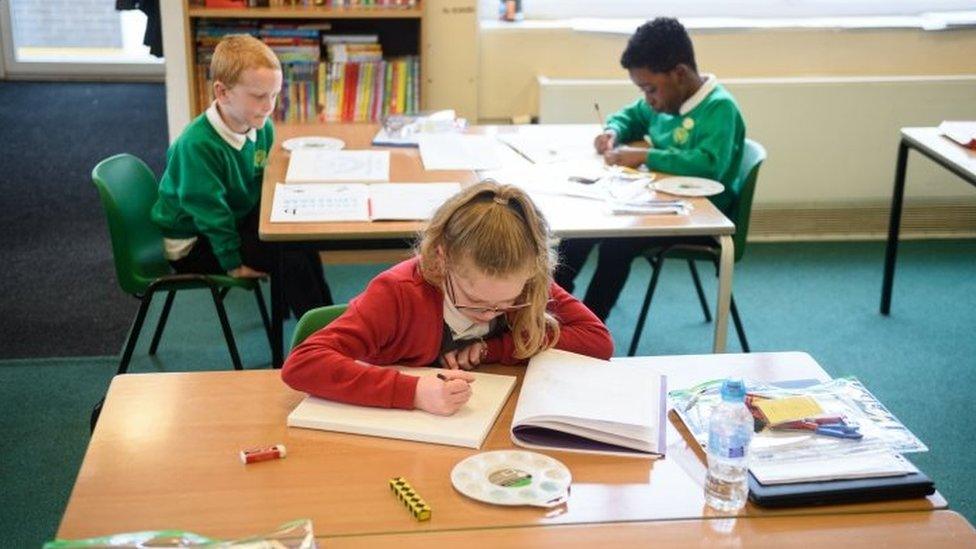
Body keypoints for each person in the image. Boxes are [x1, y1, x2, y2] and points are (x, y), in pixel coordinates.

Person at [282, 181, 614, 416]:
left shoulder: (525, 281)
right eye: (475, 300)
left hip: (478, 423)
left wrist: (494, 348)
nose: (488, 315)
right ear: (442, 259)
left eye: (505, 304)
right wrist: (413, 392)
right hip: (399, 431)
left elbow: (598, 340)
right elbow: (303, 363)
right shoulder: (398, 293)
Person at [554, 17, 746, 321]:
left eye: (650, 89)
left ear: (679, 74)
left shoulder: (719, 109)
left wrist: (645, 156)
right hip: (659, 202)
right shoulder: (664, 103)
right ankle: (548, 307)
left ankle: (588, 327)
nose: (648, 99)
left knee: (618, 243)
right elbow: (630, 116)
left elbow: (709, 166)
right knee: (580, 233)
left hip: (700, 216)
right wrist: (613, 131)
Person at [151, 34, 331, 318]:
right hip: (195, 242)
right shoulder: (197, 145)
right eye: (259, 96)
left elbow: (257, 183)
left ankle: (328, 325)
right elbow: (210, 212)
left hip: (233, 219)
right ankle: (323, 344)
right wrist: (232, 263)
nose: (269, 105)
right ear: (222, 93)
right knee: (290, 259)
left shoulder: (261, 127)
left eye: (274, 94)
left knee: (301, 242)